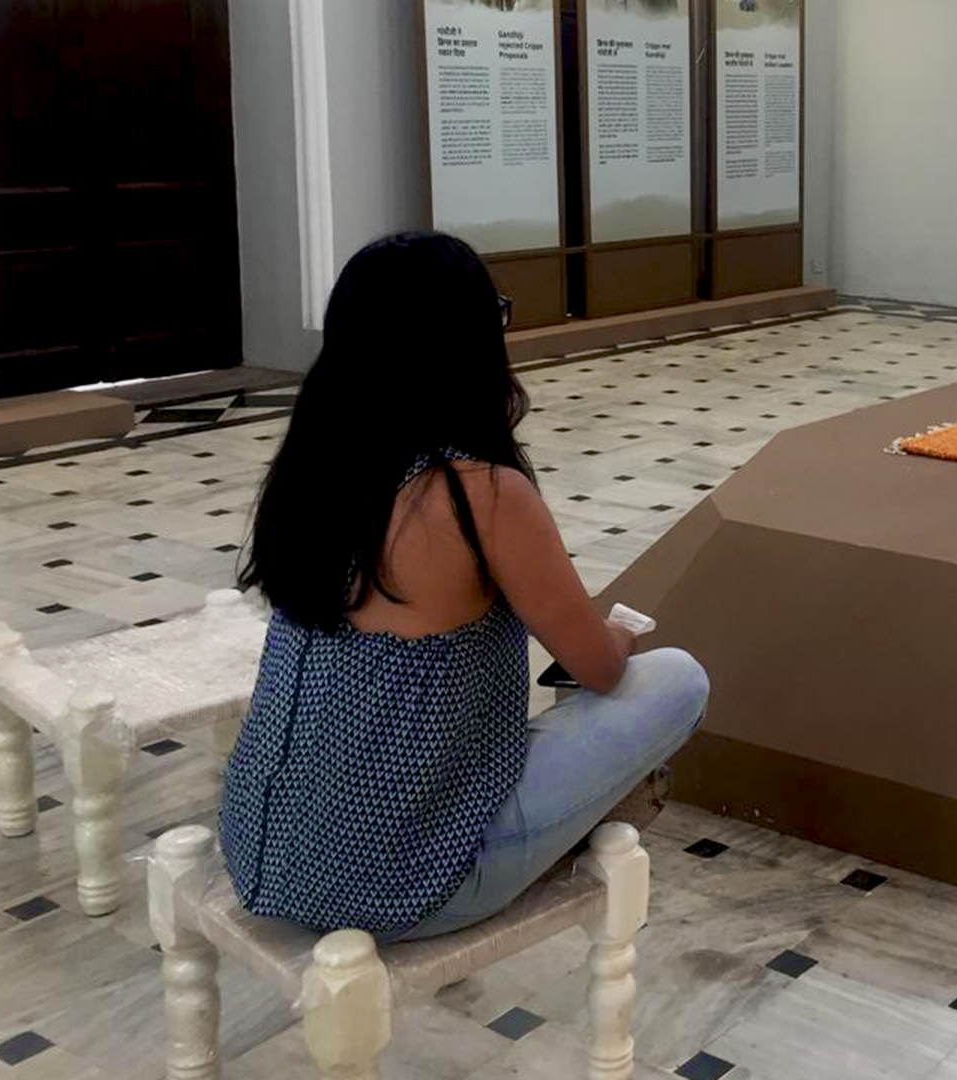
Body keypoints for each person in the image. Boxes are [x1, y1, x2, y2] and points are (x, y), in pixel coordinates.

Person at [220, 232, 708, 943]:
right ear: (468, 343)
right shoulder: (480, 495)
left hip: (262, 851)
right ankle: (571, 832)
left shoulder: (310, 476)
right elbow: (599, 670)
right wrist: (619, 637)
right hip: (404, 882)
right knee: (676, 680)